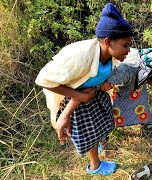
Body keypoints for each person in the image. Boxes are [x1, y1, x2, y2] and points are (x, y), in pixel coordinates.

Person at [35, 3, 133, 176]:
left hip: (91, 94)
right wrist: (76, 99)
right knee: (90, 131)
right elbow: (43, 80)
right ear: (108, 41)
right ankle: (95, 166)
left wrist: (102, 85)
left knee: (100, 124)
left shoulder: (109, 54)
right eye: (125, 45)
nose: (128, 50)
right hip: (76, 98)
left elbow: (96, 75)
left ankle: (95, 146)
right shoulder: (80, 55)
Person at [106, 48, 152, 127]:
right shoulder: (126, 69)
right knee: (113, 105)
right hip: (113, 82)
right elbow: (103, 83)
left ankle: (144, 124)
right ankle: (107, 127)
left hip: (130, 82)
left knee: (139, 95)